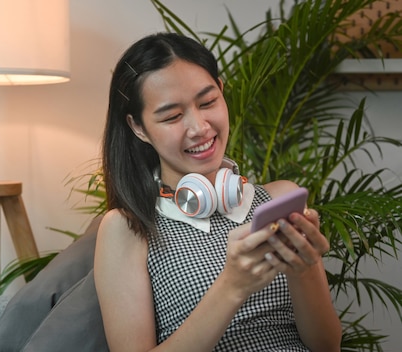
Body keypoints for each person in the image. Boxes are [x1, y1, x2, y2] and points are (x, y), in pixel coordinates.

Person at [94, 32, 342, 351]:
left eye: (208, 101)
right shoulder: (126, 228)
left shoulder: (280, 199)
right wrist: (231, 287)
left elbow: (327, 346)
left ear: (222, 92)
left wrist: (303, 270)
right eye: (172, 116)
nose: (199, 128)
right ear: (138, 127)